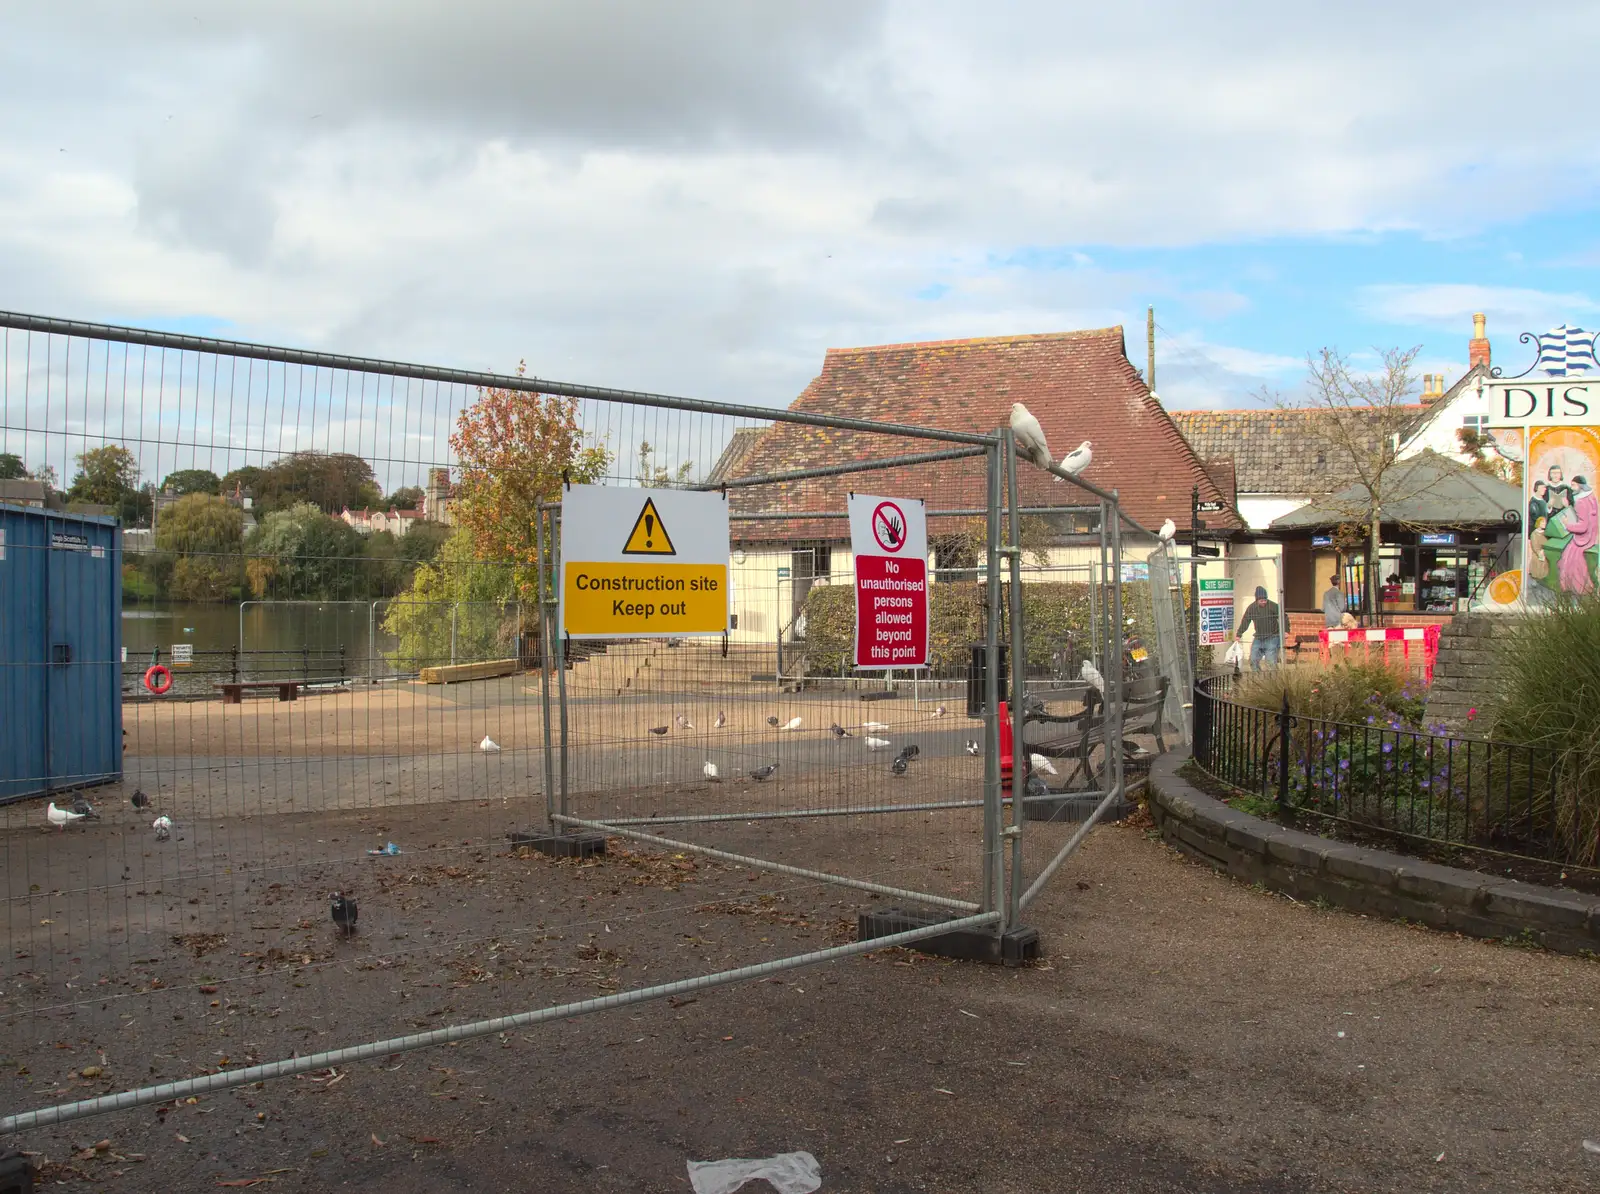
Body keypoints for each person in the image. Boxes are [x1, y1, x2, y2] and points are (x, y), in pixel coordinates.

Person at [1558, 475, 1598, 595]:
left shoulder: (1580, 502)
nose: (1572, 487)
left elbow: (1582, 526)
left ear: (1580, 486)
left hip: (1584, 538)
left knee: (1568, 556)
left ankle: (1578, 587)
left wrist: (1567, 524)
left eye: (1574, 485)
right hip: (1592, 535)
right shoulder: (1591, 497)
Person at [1236, 586, 1282, 670]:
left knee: (1270, 662)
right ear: (1257, 600)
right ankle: (1258, 678)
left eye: (1265, 600)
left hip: (1273, 637)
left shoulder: (1273, 606)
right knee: (1253, 660)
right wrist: (1239, 633)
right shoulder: (1251, 608)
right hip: (1259, 637)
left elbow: (1283, 617)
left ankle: (1274, 679)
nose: (1264, 602)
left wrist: (1286, 631)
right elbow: (1245, 621)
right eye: (1261, 600)